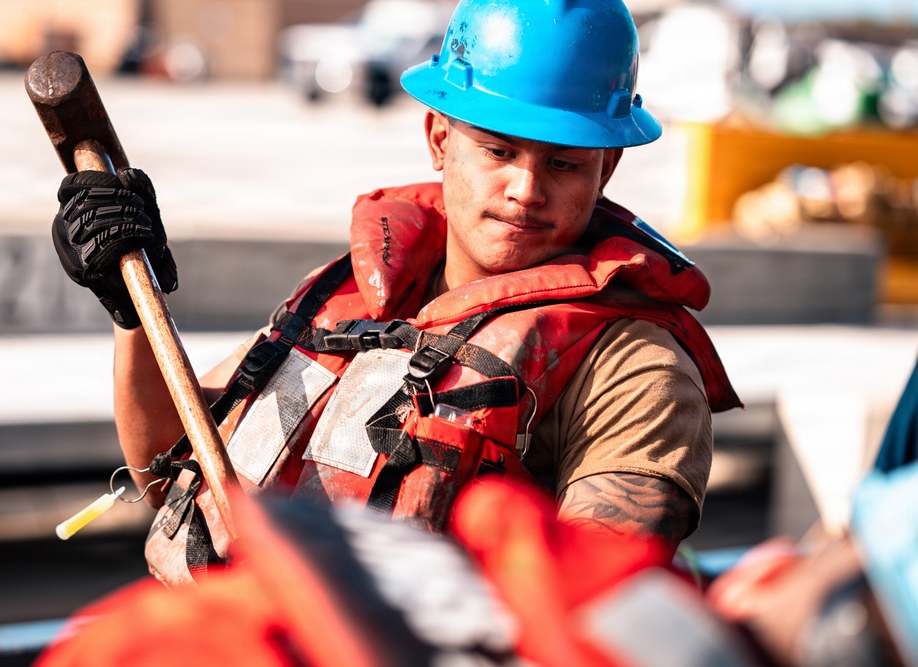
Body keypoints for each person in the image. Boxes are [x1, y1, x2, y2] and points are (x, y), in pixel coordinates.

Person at [51, 0, 741, 585]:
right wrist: (129, 314)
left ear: (608, 167)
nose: (527, 190)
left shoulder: (635, 365)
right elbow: (163, 468)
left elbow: (593, 608)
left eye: (563, 163)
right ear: (439, 138)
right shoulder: (346, 296)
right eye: (500, 151)